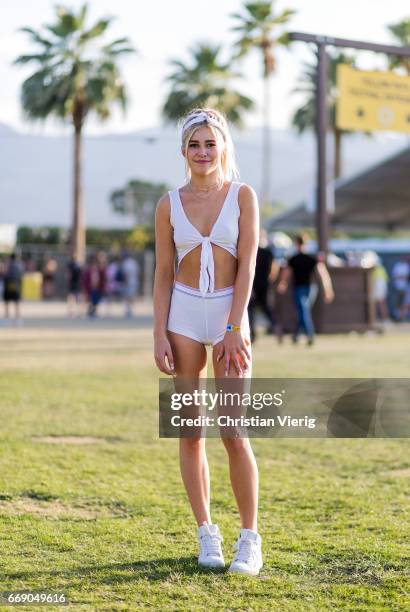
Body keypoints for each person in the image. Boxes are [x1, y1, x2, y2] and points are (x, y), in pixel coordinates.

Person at [153, 108, 262, 575]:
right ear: (183, 151)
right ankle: (206, 534)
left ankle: (249, 539)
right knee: (190, 430)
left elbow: (250, 263)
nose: (202, 152)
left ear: (223, 148)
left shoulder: (242, 196)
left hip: (227, 317)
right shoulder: (168, 204)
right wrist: (158, 330)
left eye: (210, 144)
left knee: (232, 431)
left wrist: (234, 327)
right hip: (182, 316)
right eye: (194, 145)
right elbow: (162, 272)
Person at [277, 234, 334, 345]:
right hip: (310, 289)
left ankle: (310, 335)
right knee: (303, 311)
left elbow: (286, 273)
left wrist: (282, 283)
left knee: (303, 311)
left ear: (296, 243)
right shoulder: (308, 258)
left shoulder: (297, 258)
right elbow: (323, 274)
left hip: (303, 289)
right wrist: (328, 289)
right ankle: (296, 336)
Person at [247, 228, 279, 343]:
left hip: (254, 284)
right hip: (264, 284)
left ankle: (253, 335)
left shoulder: (254, 251)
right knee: (266, 308)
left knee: (251, 310)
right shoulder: (269, 252)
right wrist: (271, 279)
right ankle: (276, 327)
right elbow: (275, 267)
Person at [82, 252, 107, 318]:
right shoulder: (94, 268)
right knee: (93, 299)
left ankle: (92, 311)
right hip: (94, 287)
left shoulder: (98, 268)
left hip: (95, 287)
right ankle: (91, 311)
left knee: (94, 300)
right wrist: (95, 285)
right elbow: (95, 278)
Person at [3, 253, 23, 325]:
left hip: (8, 285)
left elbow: (5, 273)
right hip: (16, 285)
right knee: (16, 303)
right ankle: (18, 319)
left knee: (7, 303)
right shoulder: (19, 265)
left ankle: (6, 318)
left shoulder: (8, 265)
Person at [121, 251, 140, 317]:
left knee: (127, 297)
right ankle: (130, 310)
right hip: (134, 281)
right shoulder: (134, 262)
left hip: (128, 282)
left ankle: (128, 310)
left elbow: (125, 274)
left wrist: (125, 282)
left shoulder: (125, 263)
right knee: (131, 296)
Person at [391, 256, 409, 322]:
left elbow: (406, 277)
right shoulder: (397, 265)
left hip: (405, 288)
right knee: (398, 303)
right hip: (397, 287)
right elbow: (395, 276)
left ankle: (402, 317)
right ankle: (398, 317)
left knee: (404, 303)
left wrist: (401, 276)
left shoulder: (407, 266)